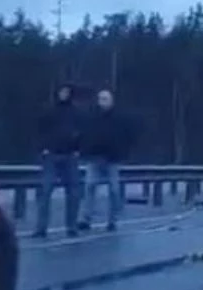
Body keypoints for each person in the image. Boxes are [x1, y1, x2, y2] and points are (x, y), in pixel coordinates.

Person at [77, 88, 134, 232]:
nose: (102, 102)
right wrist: (85, 151)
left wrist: (122, 153)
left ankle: (112, 220)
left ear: (111, 101)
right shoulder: (92, 117)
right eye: (100, 99)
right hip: (95, 157)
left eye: (105, 99)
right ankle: (85, 219)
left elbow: (125, 137)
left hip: (112, 159)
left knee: (114, 190)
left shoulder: (119, 118)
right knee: (89, 187)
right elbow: (86, 135)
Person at [32, 84, 83, 238]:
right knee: (45, 191)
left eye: (67, 92)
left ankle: (71, 227)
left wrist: (78, 149)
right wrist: (43, 148)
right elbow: (39, 130)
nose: (64, 94)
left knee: (73, 193)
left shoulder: (76, 112)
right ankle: (41, 228)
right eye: (62, 92)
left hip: (70, 156)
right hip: (52, 155)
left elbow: (83, 132)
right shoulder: (49, 111)